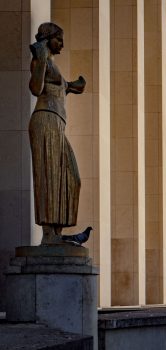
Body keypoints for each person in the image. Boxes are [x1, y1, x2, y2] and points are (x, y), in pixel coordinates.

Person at [28, 22, 86, 245]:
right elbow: (35, 88)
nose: (61, 44)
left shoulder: (53, 66)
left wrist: (71, 86)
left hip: (56, 124)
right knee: (49, 176)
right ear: (48, 39)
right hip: (46, 120)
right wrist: (41, 56)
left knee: (70, 178)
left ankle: (57, 233)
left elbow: (57, 87)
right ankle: (49, 235)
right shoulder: (41, 59)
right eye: (58, 39)